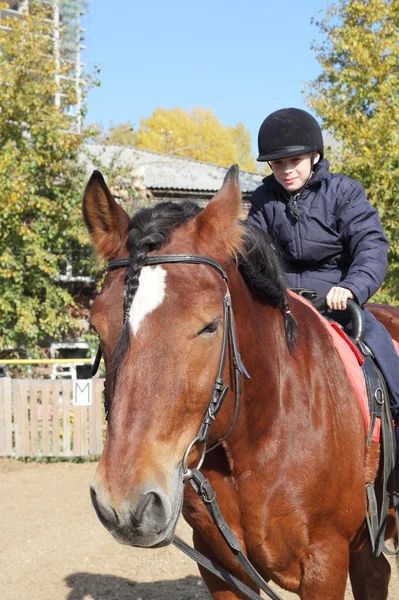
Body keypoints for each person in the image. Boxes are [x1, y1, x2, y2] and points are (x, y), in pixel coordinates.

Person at [248, 107, 399, 418]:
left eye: (295, 161)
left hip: (337, 303)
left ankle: (396, 409)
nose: (287, 170)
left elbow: (371, 246)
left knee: (376, 339)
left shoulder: (344, 192)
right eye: (278, 164)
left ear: (315, 156)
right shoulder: (263, 200)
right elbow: (251, 250)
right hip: (283, 303)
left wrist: (351, 288)